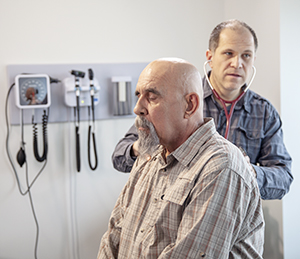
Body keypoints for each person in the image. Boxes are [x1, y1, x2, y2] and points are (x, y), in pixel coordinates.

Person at [98, 58, 264, 258]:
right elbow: (114, 236)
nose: (137, 108)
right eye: (138, 96)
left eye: (151, 97)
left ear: (189, 105)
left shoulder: (220, 167)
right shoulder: (149, 154)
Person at [111, 19, 293, 200]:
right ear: (210, 57)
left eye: (246, 55)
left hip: (235, 215)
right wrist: (147, 144)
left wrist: (249, 172)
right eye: (228, 53)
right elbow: (120, 157)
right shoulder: (180, 99)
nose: (237, 63)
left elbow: (283, 179)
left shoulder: (264, 112)